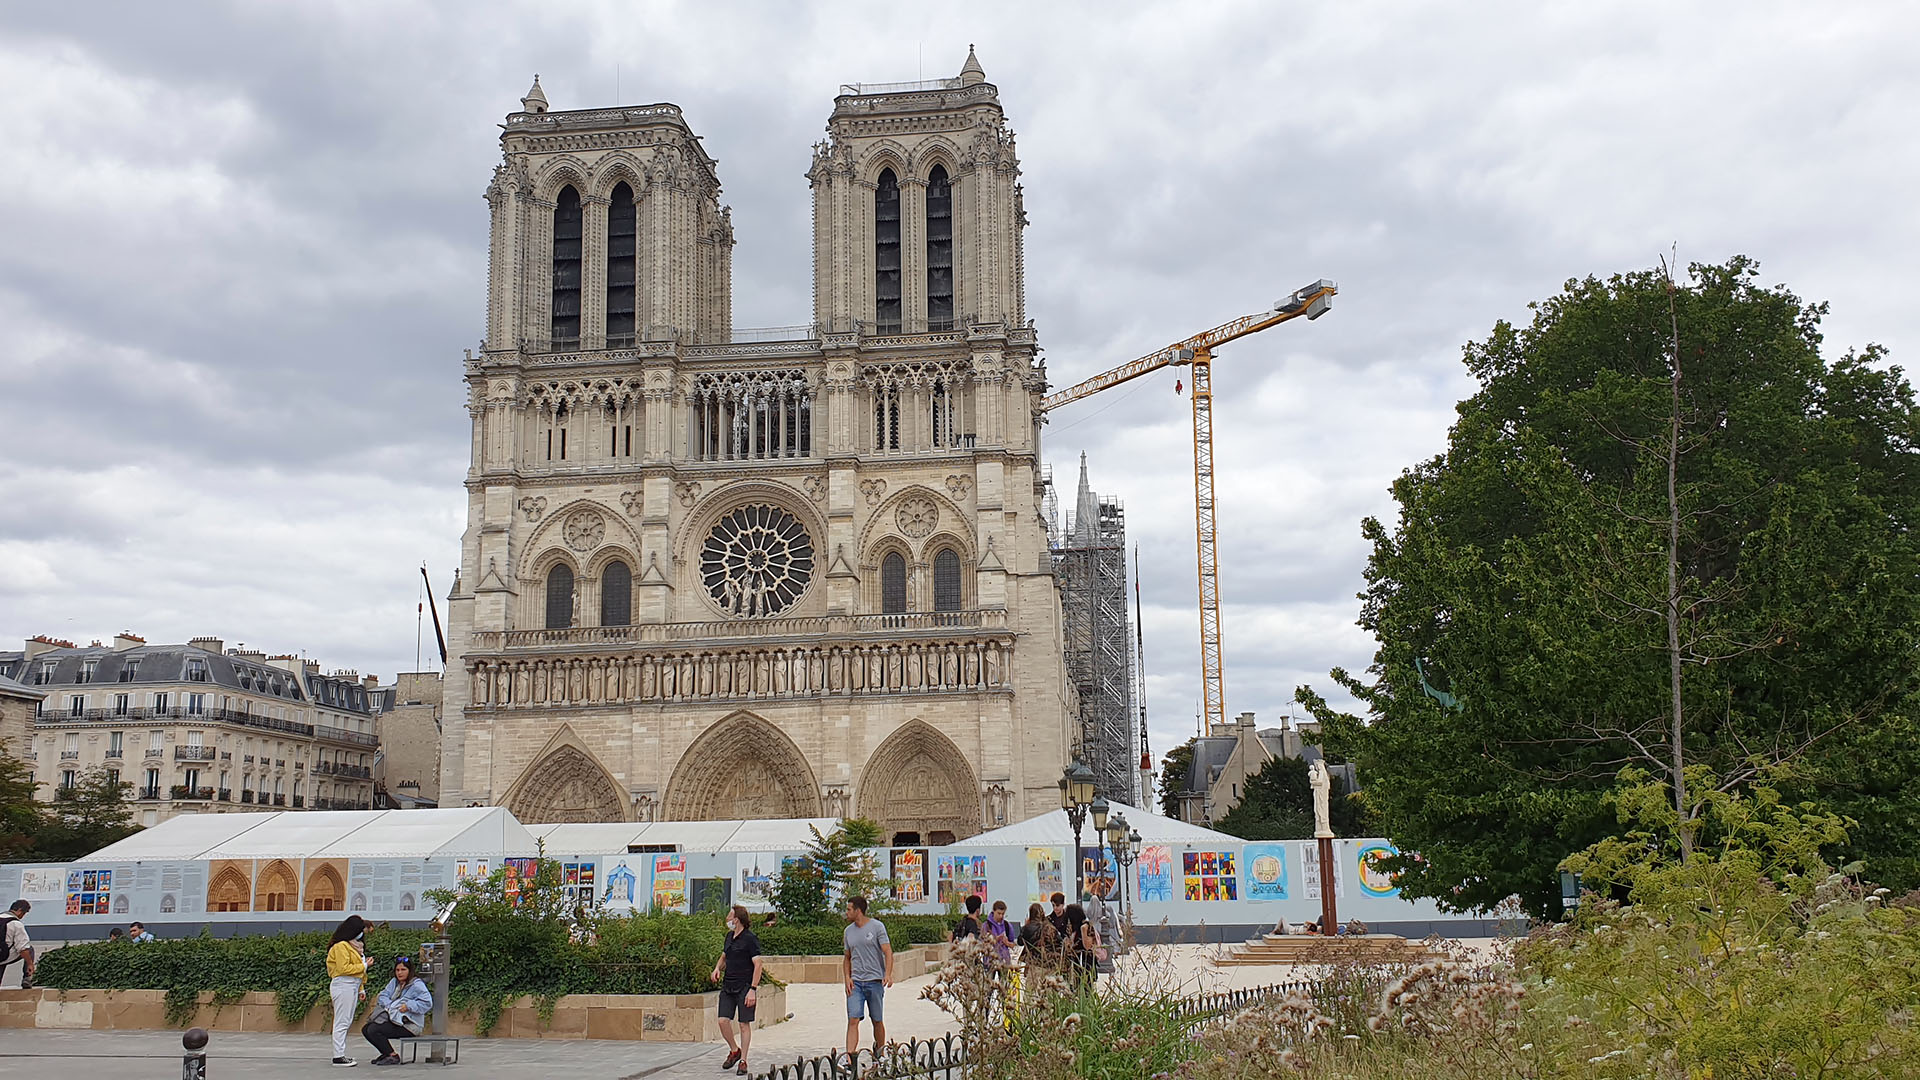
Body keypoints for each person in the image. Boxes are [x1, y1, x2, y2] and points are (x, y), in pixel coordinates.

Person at [710, 904, 764, 1077]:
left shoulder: (750, 939)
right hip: (728, 986)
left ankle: (744, 1060)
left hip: (745, 987)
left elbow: (758, 965)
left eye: (729, 916)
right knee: (722, 1021)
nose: (727, 919)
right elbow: (724, 955)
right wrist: (717, 968)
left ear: (737, 919)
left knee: (743, 1024)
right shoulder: (729, 936)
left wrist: (752, 989)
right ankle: (735, 1050)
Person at [842, 895, 894, 1061]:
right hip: (856, 982)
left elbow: (887, 951)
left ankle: (880, 1054)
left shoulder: (877, 927)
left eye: (849, 909)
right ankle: (850, 1058)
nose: (846, 912)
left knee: (877, 1020)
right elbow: (847, 957)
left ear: (858, 910)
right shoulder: (848, 932)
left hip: (874, 981)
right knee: (853, 1019)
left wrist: (887, 974)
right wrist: (847, 978)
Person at [361, 955, 432, 1066]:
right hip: (393, 1019)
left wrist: (409, 1005)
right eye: (397, 970)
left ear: (410, 971)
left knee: (374, 1029)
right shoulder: (394, 982)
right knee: (366, 1029)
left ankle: (393, 1056)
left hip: (409, 1025)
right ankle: (386, 1053)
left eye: (403, 970)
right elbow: (383, 995)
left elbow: (427, 1003)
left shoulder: (417, 984)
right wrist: (391, 1005)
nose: (400, 973)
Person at [326, 915, 370, 1067]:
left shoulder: (354, 946)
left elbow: (356, 973)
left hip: (352, 985)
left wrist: (361, 988)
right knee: (342, 1021)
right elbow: (344, 969)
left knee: (347, 1020)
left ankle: (341, 1054)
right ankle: (338, 1056)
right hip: (343, 984)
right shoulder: (340, 947)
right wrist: (365, 966)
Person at [1017, 902, 1055, 982]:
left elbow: (1020, 942)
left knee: (1031, 989)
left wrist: (1025, 926)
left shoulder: (1027, 928)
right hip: (1048, 963)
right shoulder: (1049, 927)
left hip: (1033, 963)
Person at [1, 900, 34, 990]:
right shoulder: (16, 924)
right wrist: (30, 964)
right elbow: (23, 949)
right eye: (24, 913)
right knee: (29, 949)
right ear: (19, 910)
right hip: (4, 956)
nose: (22, 916)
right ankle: (27, 979)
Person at [1062, 903, 1098, 986]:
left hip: (1085, 966)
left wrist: (1083, 931)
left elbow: (1087, 946)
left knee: (1085, 991)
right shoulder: (1072, 930)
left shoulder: (1086, 926)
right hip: (1075, 967)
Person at [982, 900, 1016, 967]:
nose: (1001, 916)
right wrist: (995, 940)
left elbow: (1013, 944)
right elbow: (982, 944)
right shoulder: (986, 925)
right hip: (990, 961)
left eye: (1003, 914)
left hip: (1004, 961)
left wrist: (1007, 943)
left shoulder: (1007, 925)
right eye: (999, 913)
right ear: (994, 911)